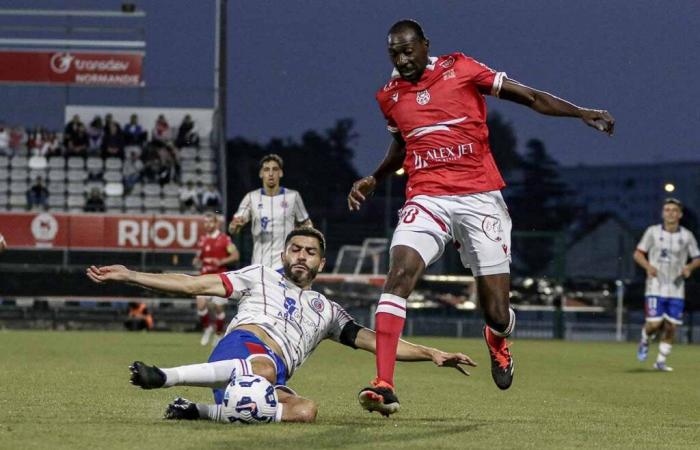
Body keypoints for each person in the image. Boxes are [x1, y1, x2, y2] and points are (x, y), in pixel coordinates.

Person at [347, 19, 615, 415]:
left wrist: (579, 112)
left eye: (408, 51)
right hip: (427, 197)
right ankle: (384, 383)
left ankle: (497, 337)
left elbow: (530, 97)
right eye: (394, 54)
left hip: (479, 198)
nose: (402, 60)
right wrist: (374, 177)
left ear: (425, 45)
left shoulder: (461, 68)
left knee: (496, 310)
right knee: (399, 271)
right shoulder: (388, 96)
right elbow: (404, 144)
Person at [86, 228, 475, 423]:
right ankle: (165, 376)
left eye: (310, 252)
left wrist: (430, 353)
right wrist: (128, 275)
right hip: (242, 353)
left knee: (306, 412)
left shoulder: (327, 310)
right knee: (266, 365)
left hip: (260, 383)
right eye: (295, 250)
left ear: (321, 263)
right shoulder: (257, 276)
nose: (301, 256)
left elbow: (378, 341)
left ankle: (199, 411)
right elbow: (192, 284)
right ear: (284, 253)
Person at [633, 198, 700, 371]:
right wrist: (648, 266)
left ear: (680, 214)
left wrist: (689, 268)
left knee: (671, 326)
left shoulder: (687, 236)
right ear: (663, 213)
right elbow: (638, 254)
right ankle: (645, 339)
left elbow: (697, 258)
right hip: (655, 286)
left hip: (676, 288)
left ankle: (660, 362)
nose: (670, 213)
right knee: (654, 324)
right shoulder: (652, 232)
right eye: (667, 210)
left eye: (674, 210)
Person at [228, 154, 312, 271]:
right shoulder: (251, 197)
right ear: (261, 174)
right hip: (259, 266)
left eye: (275, 169)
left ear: (281, 173)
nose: (271, 173)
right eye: (266, 170)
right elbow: (233, 229)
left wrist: (305, 238)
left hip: (286, 266)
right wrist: (235, 225)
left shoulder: (293, 196)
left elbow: (307, 224)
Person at [193, 212, 240, 346]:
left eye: (210, 222)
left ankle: (219, 334)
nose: (207, 225)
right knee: (201, 304)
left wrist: (221, 261)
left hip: (219, 279)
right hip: (203, 277)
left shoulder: (225, 239)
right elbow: (199, 258)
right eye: (205, 222)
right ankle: (207, 328)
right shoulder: (203, 240)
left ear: (216, 223)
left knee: (218, 308)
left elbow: (235, 255)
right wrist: (196, 261)